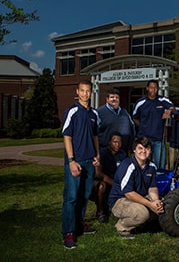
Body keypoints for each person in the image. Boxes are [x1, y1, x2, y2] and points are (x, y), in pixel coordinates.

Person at [61, 79, 100, 250]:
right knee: (71, 198)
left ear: (91, 93)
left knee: (84, 196)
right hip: (75, 162)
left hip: (89, 161)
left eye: (88, 91)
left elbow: (95, 136)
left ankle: (79, 225)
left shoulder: (94, 114)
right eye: (82, 91)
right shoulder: (72, 111)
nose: (85, 94)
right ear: (77, 92)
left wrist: (97, 154)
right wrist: (71, 161)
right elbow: (67, 136)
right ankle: (68, 232)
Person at [108, 136, 164, 239]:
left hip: (138, 196)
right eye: (140, 148)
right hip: (120, 200)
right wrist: (150, 204)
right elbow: (128, 193)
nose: (143, 151)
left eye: (147, 148)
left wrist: (155, 201)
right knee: (142, 213)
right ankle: (122, 226)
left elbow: (152, 187)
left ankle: (141, 223)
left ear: (150, 151)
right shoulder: (128, 165)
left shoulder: (151, 166)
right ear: (134, 150)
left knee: (161, 205)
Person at [132, 80, 174, 169]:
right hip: (145, 140)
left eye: (155, 88)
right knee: (144, 165)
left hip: (158, 139)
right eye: (151, 87)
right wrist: (144, 126)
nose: (153, 90)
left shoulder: (162, 100)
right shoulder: (141, 102)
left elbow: (173, 107)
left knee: (160, 166)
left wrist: (169, 110)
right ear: (147, 88)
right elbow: (135, 118)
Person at [90, 132, 127, 224]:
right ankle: (101, 212)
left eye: (119, 142)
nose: (117, 144)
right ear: (109, 142)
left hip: (117, 182)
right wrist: (115, 184)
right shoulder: (102, 153)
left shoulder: (123, 155)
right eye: (114, 142)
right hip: (103, 181)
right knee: (102, 186)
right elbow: (99, 174)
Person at [97, 89, 135, 155]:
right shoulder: (99, 112)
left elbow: (132, 129)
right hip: (106, 152)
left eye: (117, 97)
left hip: (123, 152)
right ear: (107, 99)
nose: (114, 99)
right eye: (112, 97)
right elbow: (94, 132)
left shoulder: (125, 113)